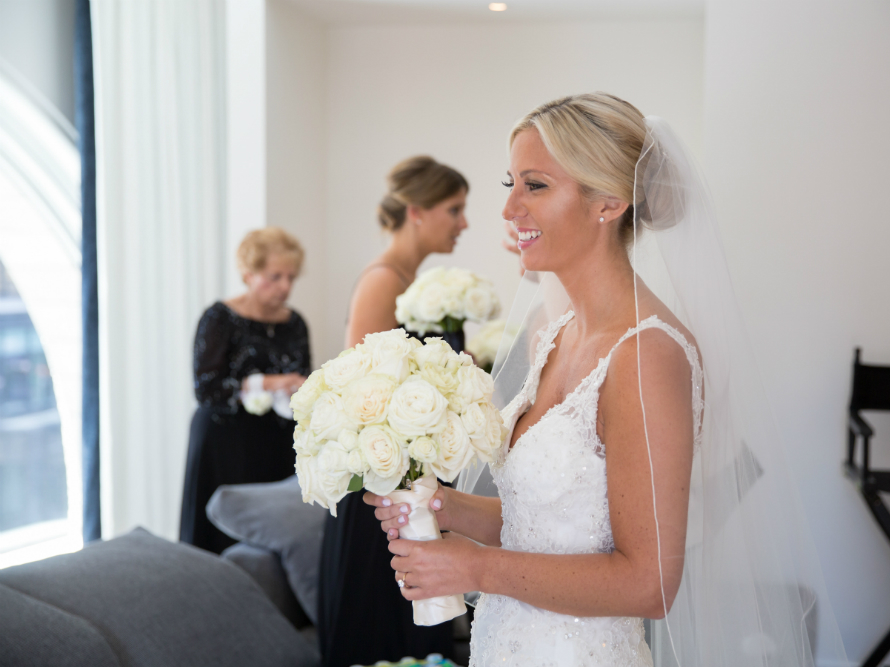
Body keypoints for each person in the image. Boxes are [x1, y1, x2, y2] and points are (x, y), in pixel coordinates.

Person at [366, 94, 848, 667]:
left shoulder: (647, 355)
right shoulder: (556, 332)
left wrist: (475, 567)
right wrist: (446, 506)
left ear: (609, 202)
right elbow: (544, 523)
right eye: (510, 184)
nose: (509, 210)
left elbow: (649, 583)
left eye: (535, 186)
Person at [318, 156, 469, 667]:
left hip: (410, 487)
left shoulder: (417, 283)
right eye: (455, 209)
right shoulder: (384, 282)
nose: (464, 223)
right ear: (417, 211)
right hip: (380, 497)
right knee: (382, 639)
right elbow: (364, 399)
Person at [180, 227, 310, 554]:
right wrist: (268, 383)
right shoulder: (219, 318)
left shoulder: (295, 323)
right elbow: (207, 389)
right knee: (217, 541)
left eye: (291, 277)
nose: (285, 286)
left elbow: (303, 379)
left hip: (277, 443)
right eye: (275, 276)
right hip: (223, 442)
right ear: (248, 274)